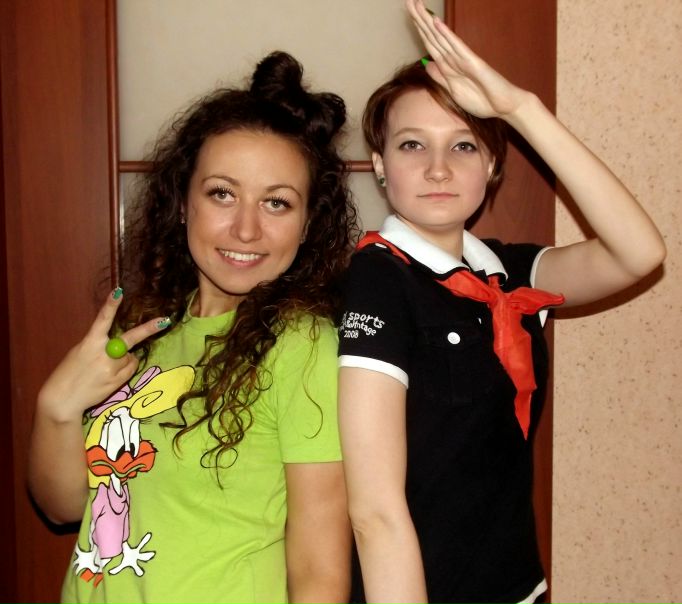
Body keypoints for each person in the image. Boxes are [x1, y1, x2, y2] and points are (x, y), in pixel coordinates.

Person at [337, 1, 667, 603]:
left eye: (463, 146)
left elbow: (639, 253)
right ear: (380, 166)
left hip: (518, 588)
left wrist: (520, 109)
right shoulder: (378, 279)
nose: (438, 169)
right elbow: (375, 513)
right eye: (412, 145)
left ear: (491, 165)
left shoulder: (507, 273)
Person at [28, 50, 358, 604]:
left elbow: (319, 569)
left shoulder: (301, 345)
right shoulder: (146, 323)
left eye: (277, 203)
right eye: (222, 193)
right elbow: (65, 507)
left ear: (307, 225)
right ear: (184, 202)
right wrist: (56, 408)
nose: (246, 229)